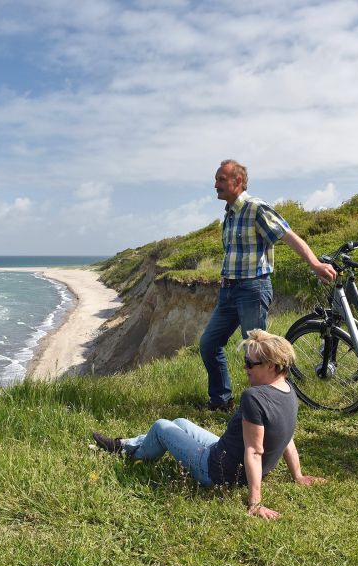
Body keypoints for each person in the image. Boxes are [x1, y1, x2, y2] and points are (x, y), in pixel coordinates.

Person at [92, 329, 325, 520]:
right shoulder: (288, 391)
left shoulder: (254, 397)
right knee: (180, 422)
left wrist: (255, 503)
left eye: (250, 364)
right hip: (226, 455)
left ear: (272, 366)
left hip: (217, 471)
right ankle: (125, 443)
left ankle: (130, 453)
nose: (245, 368)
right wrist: (298, 475)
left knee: (162, 426)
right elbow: (287, 437)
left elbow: (254, 452)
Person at [199, 159, 336, 411]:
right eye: (216, 179)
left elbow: (288, 235)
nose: (215, 184)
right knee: (209, 343)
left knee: (256, 352)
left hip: (252, 288)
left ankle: (265, 406)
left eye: (221, 179)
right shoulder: (229, 214)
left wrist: (315, 264)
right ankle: (221, 400)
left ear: (237, 181)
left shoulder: (255, 208)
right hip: (229, 290)